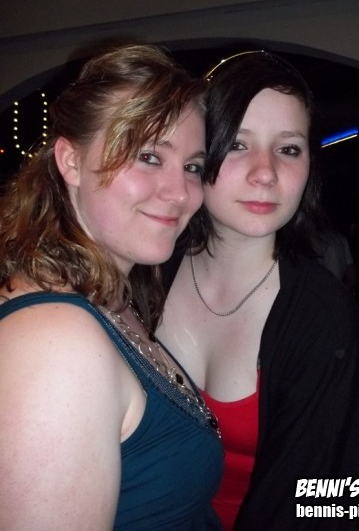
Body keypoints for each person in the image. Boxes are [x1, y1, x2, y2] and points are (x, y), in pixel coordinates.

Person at [0, 43, 223, 530]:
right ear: (71, 161)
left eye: (192, 166)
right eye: (149, 156)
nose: (181, 193)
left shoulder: (113, 298)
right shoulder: (53, 342)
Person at [156, 50, 359, 530]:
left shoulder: (322, 319)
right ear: (200, 153)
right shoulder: (144, 274)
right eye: (237, 144)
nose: (266, 172)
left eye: (288, 149)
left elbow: (323, 503)